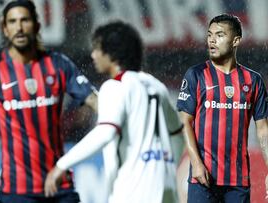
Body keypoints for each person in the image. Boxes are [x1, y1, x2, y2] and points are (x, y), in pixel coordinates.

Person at [0, 1, 97, 203]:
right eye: (12, 22)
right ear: (5, 29)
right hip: (17, 193)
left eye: (24, 20)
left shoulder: (58, 64)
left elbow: (94, 100)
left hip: (60, 188)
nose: (18, 27)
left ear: (36, 25)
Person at [44, 21, 184, 203]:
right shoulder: (156, 86)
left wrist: (62, 165)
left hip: (134, 191)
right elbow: (177, 133)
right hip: (167, 189)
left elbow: (106, 131)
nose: (93, 55)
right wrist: (167, 165)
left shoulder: (115, 86)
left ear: (111, 54)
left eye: (97, 49)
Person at [176, 14, 268, 203]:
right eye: (209, 35)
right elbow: (184, 123)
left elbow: (263, 128)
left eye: (220, 35)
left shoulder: (252, 80)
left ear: (235, 40)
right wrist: (197, 164)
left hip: (238, 181)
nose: (212, 40)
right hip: (203, 179)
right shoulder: (196, 75)